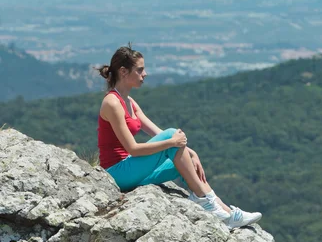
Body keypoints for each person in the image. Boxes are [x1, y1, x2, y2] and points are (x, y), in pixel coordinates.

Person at [97, 45, 261, 229]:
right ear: (124, 72)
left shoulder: (130, 102)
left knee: (183, 161)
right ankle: (203, 201)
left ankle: (228, 214)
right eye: (140, 70)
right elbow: (133, 149)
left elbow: (156, 133)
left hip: (131, 170)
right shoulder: (112, 102)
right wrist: (172, 142)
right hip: (116, 173)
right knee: (171, 135)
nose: (145, 74)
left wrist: (190, 152)